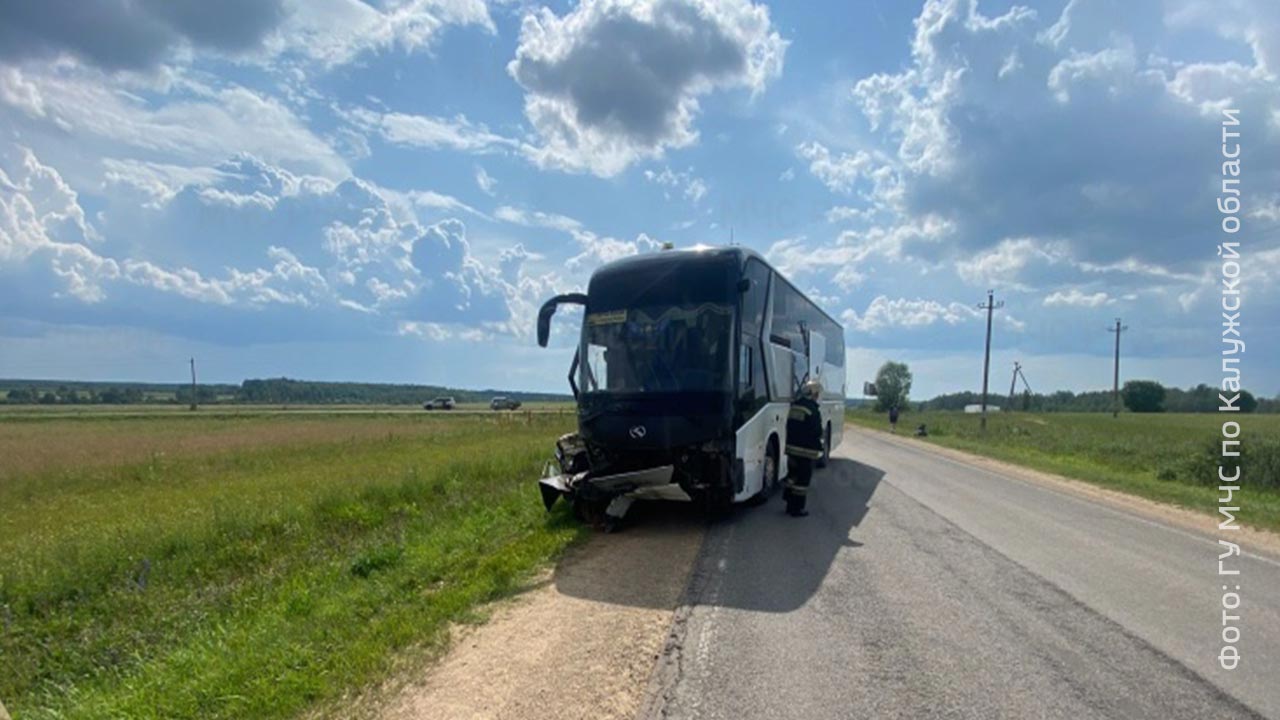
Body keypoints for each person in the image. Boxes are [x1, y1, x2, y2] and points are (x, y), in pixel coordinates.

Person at [783, 380, 824, 517]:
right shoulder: (812, 409)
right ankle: (797, 509)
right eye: (816, 393)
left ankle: (789, 504)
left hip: (791, 449)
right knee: (802, 481)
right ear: (813, 393)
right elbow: (817, 430)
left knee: (791, 477)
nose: (817, 396)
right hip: (805, 451)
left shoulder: (795, 406)